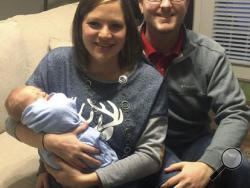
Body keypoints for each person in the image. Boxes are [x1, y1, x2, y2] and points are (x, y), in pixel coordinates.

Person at [5, 0, 168, 187]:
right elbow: (13, 121)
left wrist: (87, 181)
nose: (105, 34)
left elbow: (152, 155)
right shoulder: (56, 64)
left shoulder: (151, 82)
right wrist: (48, 143)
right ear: (80, 25)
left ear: (128, 30)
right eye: (94, 24)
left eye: (116, 26)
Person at [136, 0, 250, 188]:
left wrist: (208, 164)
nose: (165, 5)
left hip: (194, 140)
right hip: (143, 143)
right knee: (175, 180)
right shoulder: (120, 48)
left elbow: (235, 113)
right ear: (140, 4)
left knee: (240, 166)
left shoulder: (211, 54)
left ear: (187, 5)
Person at [5, 85, 118, 170]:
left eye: (39, 91)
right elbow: (9, 123)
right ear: (29, 111)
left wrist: (84, 180)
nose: (43, 92)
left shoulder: (31, 118)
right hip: (96, 158)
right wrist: (47, 142)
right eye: (36, 96)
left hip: (77, 169)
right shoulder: (44, 113)